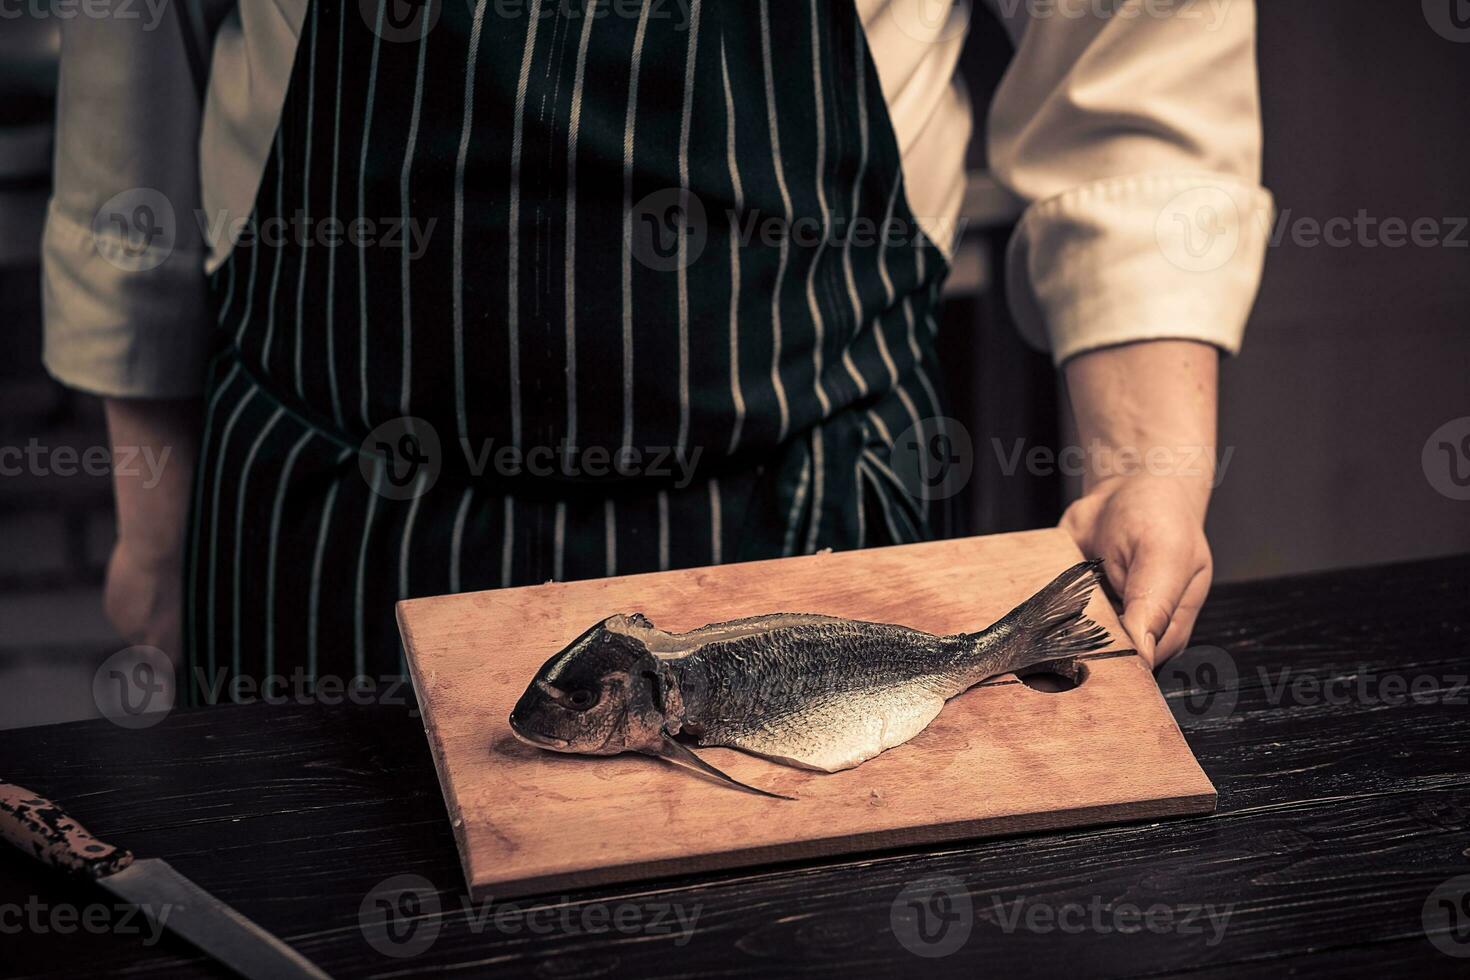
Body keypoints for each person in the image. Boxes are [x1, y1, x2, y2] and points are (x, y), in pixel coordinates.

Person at [43, 0, 1271, 698]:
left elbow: (1133, 54)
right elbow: (132, 62)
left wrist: (1145, 463)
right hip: (327, 545)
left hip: (813, 534)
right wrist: (153, 514)